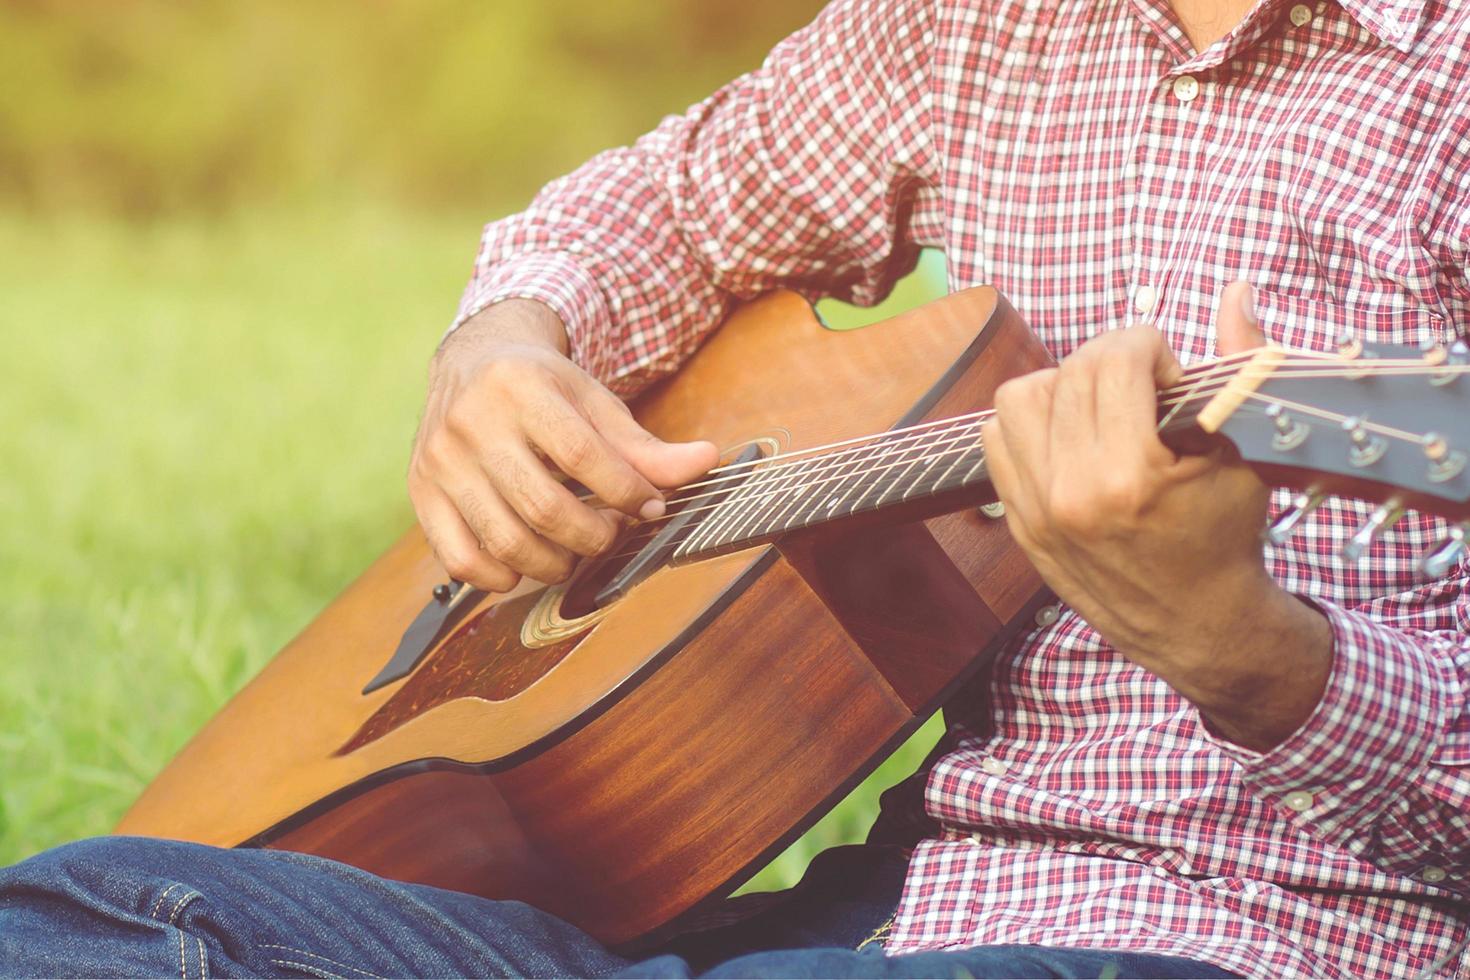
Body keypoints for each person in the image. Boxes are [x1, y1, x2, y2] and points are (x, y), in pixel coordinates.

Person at [3, 0, 1468, 976]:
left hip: (1254, 935)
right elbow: (663, 202)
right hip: (886, 911)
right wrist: (506, 349)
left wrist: (1252, 657)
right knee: (87, 917)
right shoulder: (979, 18)